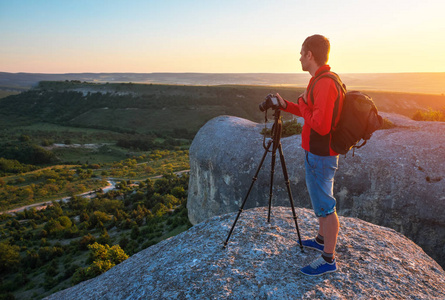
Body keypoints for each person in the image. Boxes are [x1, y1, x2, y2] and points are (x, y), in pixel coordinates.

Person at [276, 34, 344, 276]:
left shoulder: (324, 83)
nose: (299, 57)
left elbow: (322, 125)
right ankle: (320, 239)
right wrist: (287, 105)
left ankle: (328, 259)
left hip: (321, 154)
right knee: (321, 201)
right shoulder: (319, 80)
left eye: (301, 53)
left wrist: (301, 104)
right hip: (316, 153)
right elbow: (309, 111)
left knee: (326, 205)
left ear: (310, 55)